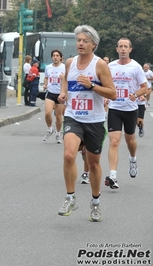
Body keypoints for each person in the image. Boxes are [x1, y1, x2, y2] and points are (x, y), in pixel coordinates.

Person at [57, 25, 116, 222]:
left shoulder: (100, 66)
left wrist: (92, 85)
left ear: (94, 45)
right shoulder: (70, 62)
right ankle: (70, 197)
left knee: (93, 164)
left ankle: (95, 202)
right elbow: (66, 79)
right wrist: (64, 92)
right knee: (68, 155)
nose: (80, 44)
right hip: (73, 117)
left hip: (95, 121)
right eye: (79, 40)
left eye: (85, 41)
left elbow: (112, 93)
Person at [105, 38, 147, 189]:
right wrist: (105, 97)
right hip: (115, 108)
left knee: (130, 140)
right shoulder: (110, 66)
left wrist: (135, 95)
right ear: (117, 49)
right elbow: (105, 84)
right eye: (120, 47)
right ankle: (113, 175)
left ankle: (133, 159)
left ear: (130, 49)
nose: (123, 49)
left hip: (130, 109)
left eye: (126, 47)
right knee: (114, 141)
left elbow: (145, 87)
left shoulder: (135, 67)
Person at [42, 49, 66, 143]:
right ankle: (50, 129)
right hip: (50, 93)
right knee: (48, 113)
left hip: (60, 94)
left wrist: (63, 79)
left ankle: (58, 133)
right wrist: (45, 84)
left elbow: (67, 80)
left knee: (58, 116)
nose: (55, 57)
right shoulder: (48, 67)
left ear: (60, 57)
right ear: (52, 57)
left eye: (57, 55)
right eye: (54, 56)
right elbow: (46, 77)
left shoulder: (64, 67)